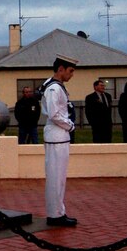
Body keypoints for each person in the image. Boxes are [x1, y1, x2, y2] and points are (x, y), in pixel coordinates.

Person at [41, 55, 78, 227]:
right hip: (57, 134)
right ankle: (55, 215)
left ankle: (58, 212)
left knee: (59, 177)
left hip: (58, 136)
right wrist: (70, 125)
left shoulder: (54, 85)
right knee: (56, 178)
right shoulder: (54, 88)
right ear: (61, 69)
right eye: (70, 71)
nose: (72, 75)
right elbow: (55, 114)